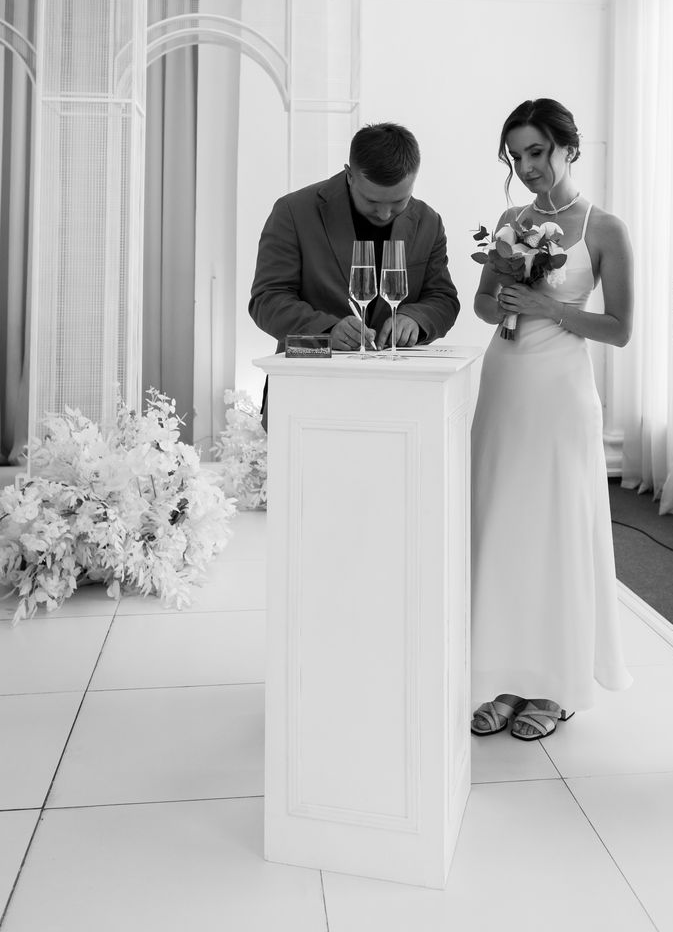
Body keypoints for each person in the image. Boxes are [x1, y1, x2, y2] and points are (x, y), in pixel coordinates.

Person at [470, 98, 633, 741]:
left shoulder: (604, 228)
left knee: (556, 528)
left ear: (569, 147)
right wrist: (509, 295)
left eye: (536, 151)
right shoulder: (510, 222)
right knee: (504, 524)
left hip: (562, 390)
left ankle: (554, 684)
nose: (526, 166)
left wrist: (548, 306)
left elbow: (619, 328)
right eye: (516, 156)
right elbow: (484, 307)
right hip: (505, 383)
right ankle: (505, 677)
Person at [249, 122, 460, 421]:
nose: (384, 214)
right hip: (305, 394)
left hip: (400, 402)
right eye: (372, 201)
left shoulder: (429, 221)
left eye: (399, 202)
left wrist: (416, 318)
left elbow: (443, 299)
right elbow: (267, 300)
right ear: (350, 174)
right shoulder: (293, 211)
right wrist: (327, 331)